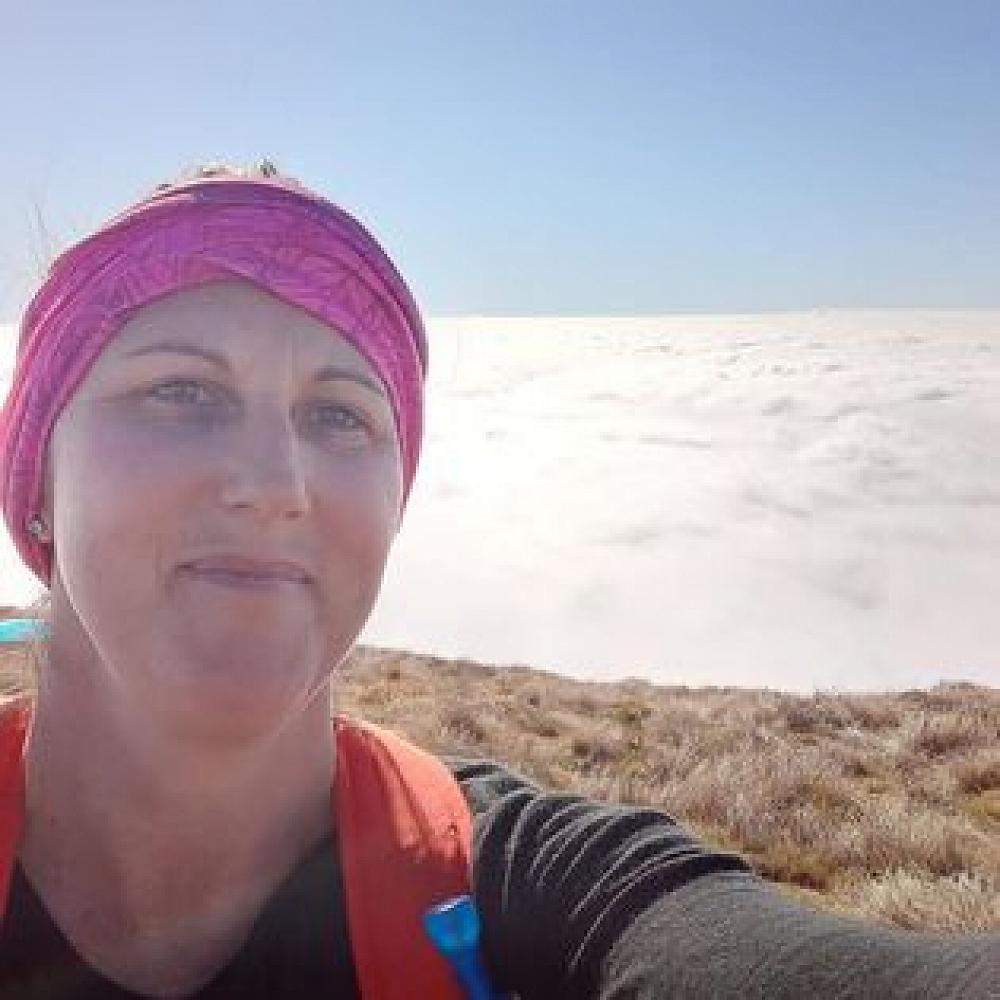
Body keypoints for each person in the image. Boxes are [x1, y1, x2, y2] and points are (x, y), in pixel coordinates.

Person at [0, 165, 994, 1000]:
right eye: (181, 391)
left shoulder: (531, 891)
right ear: (36, 477)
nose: (275, 483)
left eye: (341, 415)